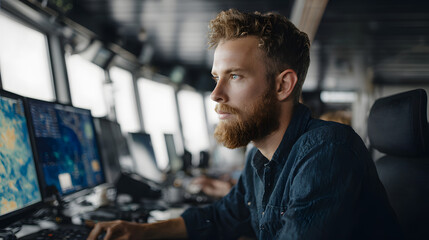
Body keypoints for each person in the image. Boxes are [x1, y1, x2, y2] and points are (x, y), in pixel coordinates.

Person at [87, 9, 402, 240]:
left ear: (282, 85)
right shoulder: (258, 158)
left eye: (234, 76)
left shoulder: (328, 149)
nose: (216, 94)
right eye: (216, 78)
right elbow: (221, 218)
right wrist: (142, 232)